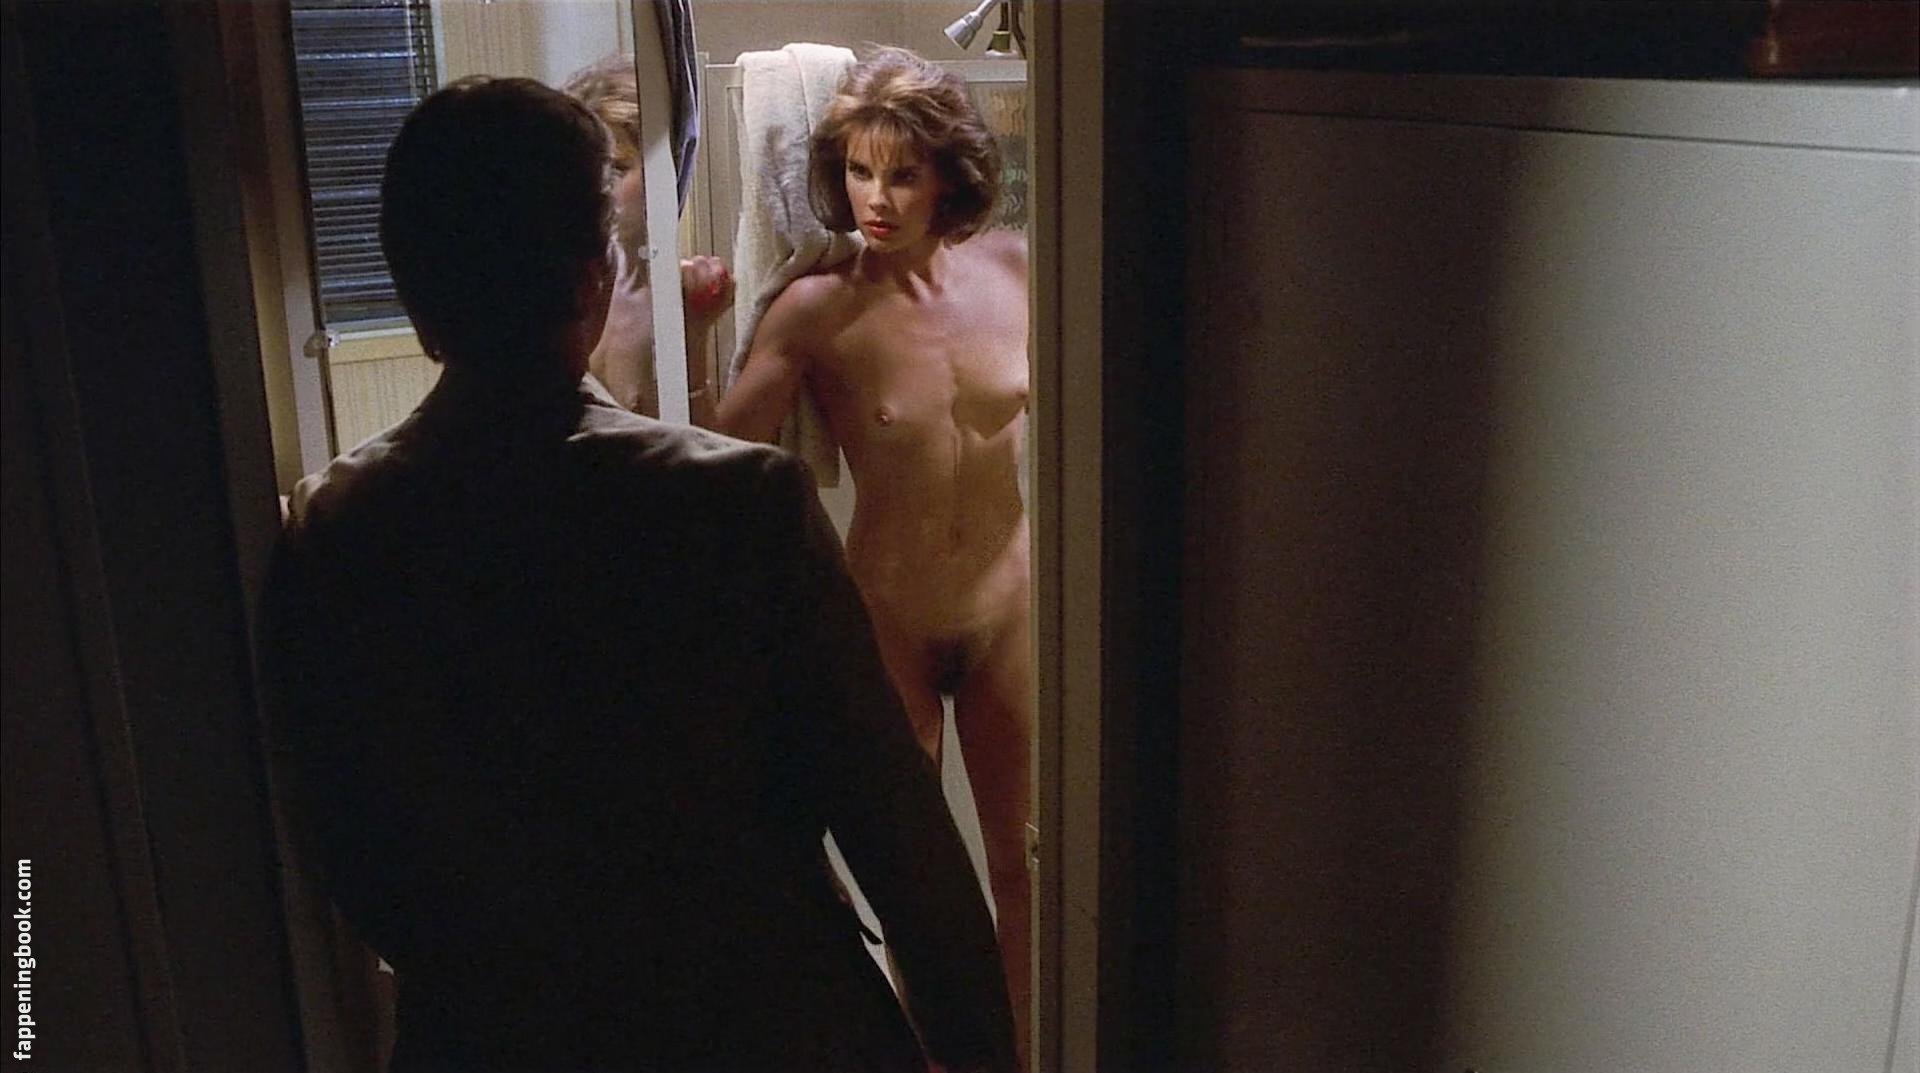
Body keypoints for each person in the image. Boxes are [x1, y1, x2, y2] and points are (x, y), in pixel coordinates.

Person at [261, 75, 1016, 1073]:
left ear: (416, 299)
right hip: (765, 1020)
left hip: (496, 1034)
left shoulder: (335, 528)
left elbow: (344, 845)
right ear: (591, 281)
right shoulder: (734, 502)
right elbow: (902, 841)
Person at [712, 47, 1032, 1064]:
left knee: (1025, 866)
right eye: (858, 171)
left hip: (1011, 604)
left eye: (901, 173)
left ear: (949, 176)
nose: (877, 199)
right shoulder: (819, 306)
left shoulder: (1018, 270)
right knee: (916, 883)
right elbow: (721, 459)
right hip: (888, 613)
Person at [564, 53, 735, 420]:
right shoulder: (557, 289)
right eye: (582, 171)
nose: (596, 190)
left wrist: (693, 335)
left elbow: (703, 447)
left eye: (617, 169)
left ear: (667, 169)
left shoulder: (685, 291)